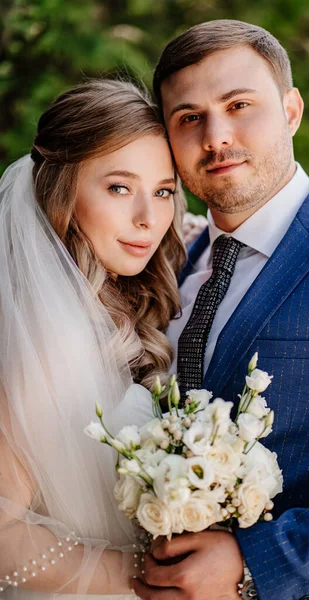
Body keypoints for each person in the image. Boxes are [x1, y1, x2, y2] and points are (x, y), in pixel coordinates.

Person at [132, 19, 309, 600]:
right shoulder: (161, 266)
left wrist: (258, 562)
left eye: (239, 104)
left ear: (291, 111)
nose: (216, 136)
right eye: (189, 118)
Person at [0, 79, 187, 599]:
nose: (149, 219)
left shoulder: (113, 308)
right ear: (61, 191)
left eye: (164, 191)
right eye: (119, 188)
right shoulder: (44, 340)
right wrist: (148, 576)